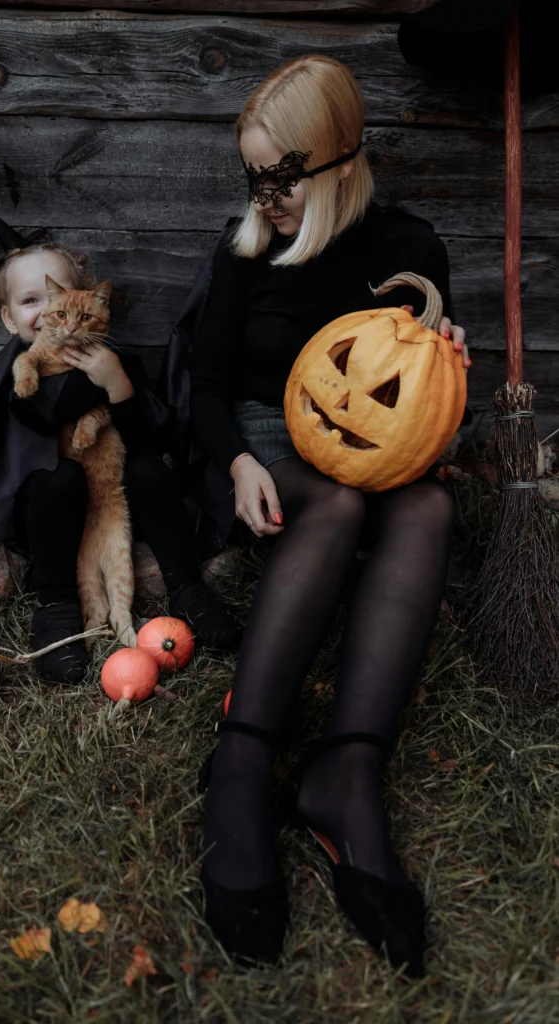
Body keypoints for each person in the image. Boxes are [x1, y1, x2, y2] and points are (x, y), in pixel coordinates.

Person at [189, 55, 471, 975]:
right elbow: (204, 386)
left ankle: (344, 771)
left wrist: (446, 360)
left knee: (424, 506)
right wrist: (235, 459)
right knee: (340, 506)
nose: (265, 196)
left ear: (341, 160)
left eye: (281, 177)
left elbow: (412, 401)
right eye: (252, 176)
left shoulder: (409, 251)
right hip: (268, 440)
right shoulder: (248, 249)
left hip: (368, 443)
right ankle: (241, 760)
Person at [0, 221, 241, 685]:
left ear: (83, 298)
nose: (49, 314)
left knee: (150, 473)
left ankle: (185, 584)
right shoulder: (16, 368)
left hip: (109, 491)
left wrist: (118, 383)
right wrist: (89, 383)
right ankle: (57, 602)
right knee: (55, 479)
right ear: (8, 319)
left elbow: (152, 436)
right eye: (30, 302)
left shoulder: (112, 355)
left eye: (58, 299)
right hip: (53, 507)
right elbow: (38, 416)